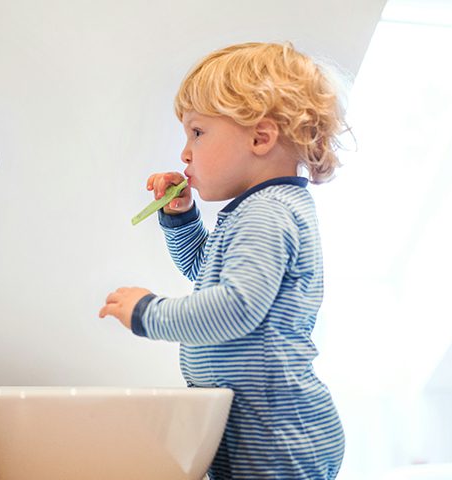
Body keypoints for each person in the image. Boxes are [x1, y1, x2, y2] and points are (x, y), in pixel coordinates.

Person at [99, 41, 345, 479]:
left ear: (260, 137)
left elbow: (234, 307)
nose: (185, 152)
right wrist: (182, 220)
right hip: (258, 428)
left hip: (278, 436)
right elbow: (205, 274)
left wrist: (148, 314)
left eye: (197, 132)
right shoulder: (258, 209)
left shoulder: (268, 213)